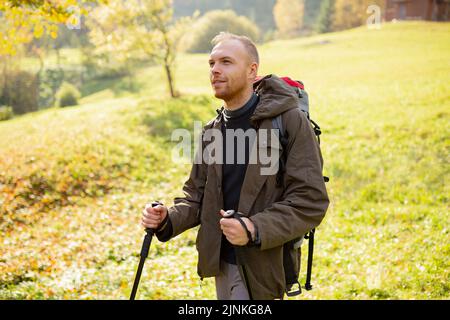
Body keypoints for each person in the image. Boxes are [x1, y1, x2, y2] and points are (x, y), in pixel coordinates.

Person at [141, 32, 329, 300]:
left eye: (226, 62)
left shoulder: (288, 122)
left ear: (252, 71)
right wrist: (166, 218)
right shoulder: (212, 131)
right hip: (222, 264)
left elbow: (310, 201)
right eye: (211, 63)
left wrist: (253, 229)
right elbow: (197, 196)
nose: (215, 70)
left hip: (263, 266)